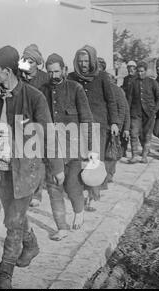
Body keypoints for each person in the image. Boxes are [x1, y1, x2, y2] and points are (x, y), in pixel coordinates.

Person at [0, 46, 64, 288]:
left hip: (25, 171)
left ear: (7, 71)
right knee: (13, 215)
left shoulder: (34, 97)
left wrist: (57, 167)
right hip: (0, 169)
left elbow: (48, 133)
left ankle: (4, 272)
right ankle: (31, 244)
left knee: (13, 220)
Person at [40, 53, 94, 241]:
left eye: (57, 71)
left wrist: (90, 148)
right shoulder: (42, 91)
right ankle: (61, 227)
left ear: (64, 70)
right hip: (51, 147)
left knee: (72, 184)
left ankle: (79, 211)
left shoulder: (75, 88)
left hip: (73, 147)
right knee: (54, 187)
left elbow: (86, 118)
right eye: (50, 72)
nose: (54, 75)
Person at [68, 45, 120, 212]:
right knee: (80, 160)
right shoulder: (71, 77)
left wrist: (114, 122)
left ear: (92, 60)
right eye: (80, 61)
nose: (83, 64)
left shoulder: (103, 77)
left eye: (86, 61)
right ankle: (80, 193)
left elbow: (111, 101)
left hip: (98, 124)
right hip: (78, 124)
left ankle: (93, 195)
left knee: (95, 160)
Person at [19, 44, 49, 208]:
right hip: (22, 122)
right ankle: (26, 190)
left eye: (31, 61)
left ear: (37, 63)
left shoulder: (45, 79)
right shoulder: (19, 78)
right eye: (25, 61)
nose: (28, 64)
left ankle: (37, 193)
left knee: (38, 159)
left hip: (40, 123)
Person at [98, 57, 130, 177]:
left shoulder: (114, 89)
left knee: (111, 150)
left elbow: (122, 108)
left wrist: (118, 125)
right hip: (98, 124)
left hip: (111, 125)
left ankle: (109, 173)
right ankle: (101, 175)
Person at [126, 61, 159, 163]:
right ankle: (134, 156)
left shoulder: (152, 82)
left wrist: (155, 110)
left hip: (149, 114)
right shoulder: (133, 83)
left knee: (147, 135)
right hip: (135, 113)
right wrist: (127, 113)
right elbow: (129, 99)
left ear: (146, 71)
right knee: (133, 133)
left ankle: (144, 156)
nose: (139, 74)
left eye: (142, 71)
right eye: (138, 71)